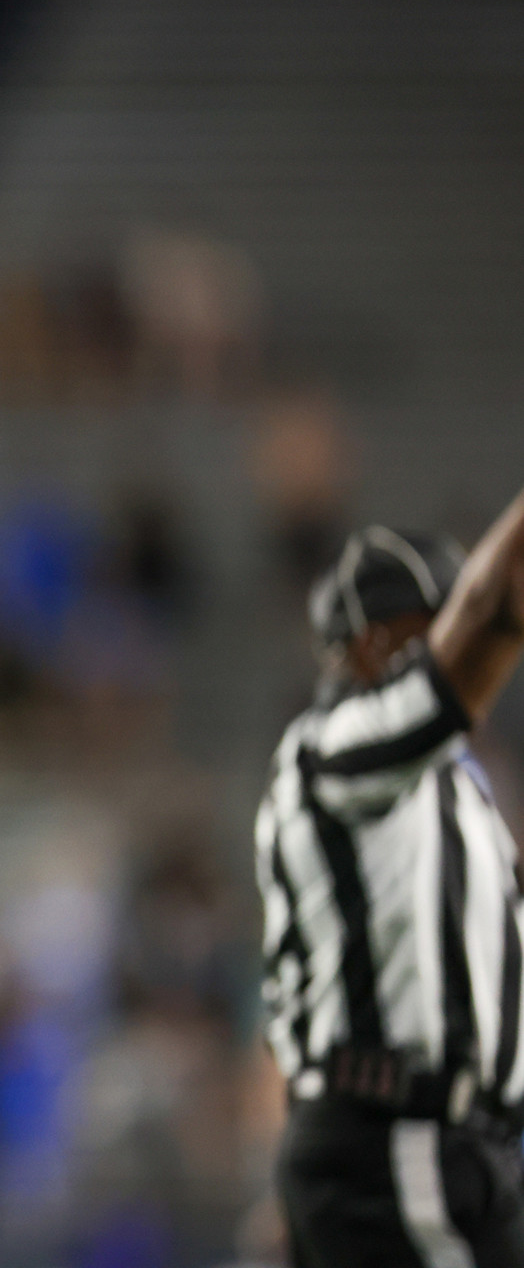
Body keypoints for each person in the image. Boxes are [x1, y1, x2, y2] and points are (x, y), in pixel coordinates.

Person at [258, 513, 524, 1268]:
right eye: (433, 625)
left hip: (446, 1147)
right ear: (372, 644)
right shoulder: (332, 747)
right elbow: (492, 612)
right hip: (395, 1139)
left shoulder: (451, 793)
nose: (456, 653)